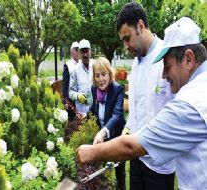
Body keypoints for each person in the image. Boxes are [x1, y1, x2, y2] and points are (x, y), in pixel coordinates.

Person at [77, 17, 207, 190]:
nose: (163, 76)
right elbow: (136, 109)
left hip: (160, 162)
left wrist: (91, 152)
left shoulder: (191, 102)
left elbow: (133, 146)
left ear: (189, 59)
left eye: (167, 67)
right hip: (142, 158)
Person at [116, 2, 175, 190]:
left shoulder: (167, 57)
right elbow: (136, 108)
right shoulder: (135, 64)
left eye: (127, 38)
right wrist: (127, 129)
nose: (126, 46)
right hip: (136, 158)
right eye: (123, 41)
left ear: (140, 26)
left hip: (160, 164)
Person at [90, 57, 126, 190]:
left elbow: (117, 115)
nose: (100, 79)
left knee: (119, 174)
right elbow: (94, 109)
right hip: (102, 139)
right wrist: (85, 116)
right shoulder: (94, 89)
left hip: (117, 137)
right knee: (105, 173)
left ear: (110, 74)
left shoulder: (117, 90)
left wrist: (103, 132)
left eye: (103, 74)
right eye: (97, 75)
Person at [69, 39, 93, 115]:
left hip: (96, 110)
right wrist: (77, 96)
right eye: (83, 52)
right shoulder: (75, 70)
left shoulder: (96, 66)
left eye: (87, 51)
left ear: (90, 52)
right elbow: (70, 91)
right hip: (81, 111)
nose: (85, 54)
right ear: (79, 53)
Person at [62, 41, 79, 120]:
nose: (78, 52)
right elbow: (65, 84)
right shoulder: (68, 65)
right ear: (72, 52)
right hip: (71, 99)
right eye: (76, 50)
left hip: (81, 97)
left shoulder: (82, 64)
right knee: (73, 120)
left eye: (79, 50)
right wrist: (66, 100)